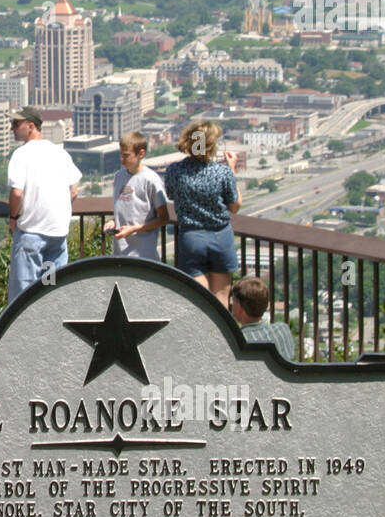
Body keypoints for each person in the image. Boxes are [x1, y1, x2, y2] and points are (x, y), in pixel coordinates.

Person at [6, 107, 81, 303]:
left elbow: (16, 192)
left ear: (31, 126)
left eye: (16, 124)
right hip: (57, 236)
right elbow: (74, 190)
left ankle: (23, 332)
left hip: (31, 235)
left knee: (22, 296)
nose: (11, 128)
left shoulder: (21, 155)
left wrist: (13, 217)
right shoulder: (59, 152)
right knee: (50, 291)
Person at [164, 120, 240, 307]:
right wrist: (232, 169)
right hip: (221, 236)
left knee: (200, 302)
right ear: (212, 145)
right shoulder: (222, 172)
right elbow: (235, 206)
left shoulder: (175, 171)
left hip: (191, 238)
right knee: (221, 300)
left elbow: (172, 195)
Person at [102, 131, 170, 261]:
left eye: (126, 156)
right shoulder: (118, 176)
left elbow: (164, 218)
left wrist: (134, 229)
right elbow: (126, 209)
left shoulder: (151, 180)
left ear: (141, 154)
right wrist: (113, 221)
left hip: (143, 253)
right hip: (119, 251)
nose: (122, 159)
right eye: (120, 155)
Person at [229, 276, 296, 362]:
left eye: (233, 300)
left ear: (239, 307)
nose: (231, 303)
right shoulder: (283, 329)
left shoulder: (238, 341)